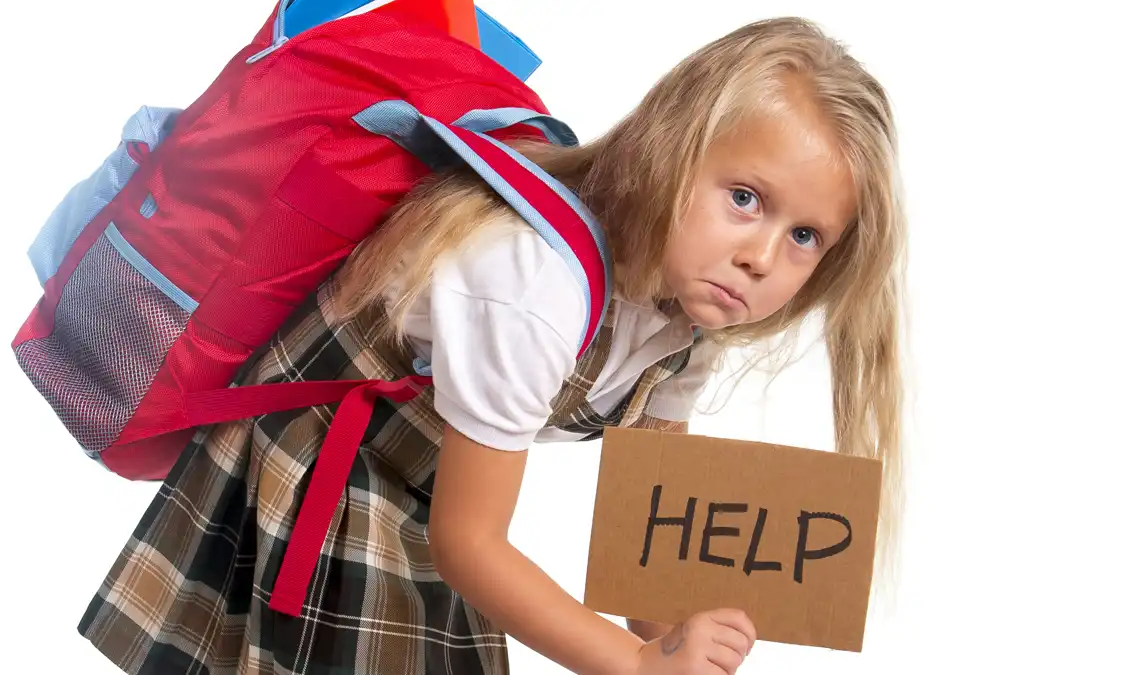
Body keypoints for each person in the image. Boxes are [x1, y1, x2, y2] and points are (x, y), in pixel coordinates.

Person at [77, 15, 907, 675]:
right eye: (744, 198)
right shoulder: (535, 284)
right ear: (671, 148)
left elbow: (645, 543)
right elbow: (470, 542)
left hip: (419, 485)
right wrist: (630, 664)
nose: (761, 255)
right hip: (327, 469)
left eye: (805, 235)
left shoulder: (685, 323)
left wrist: (677, 639)